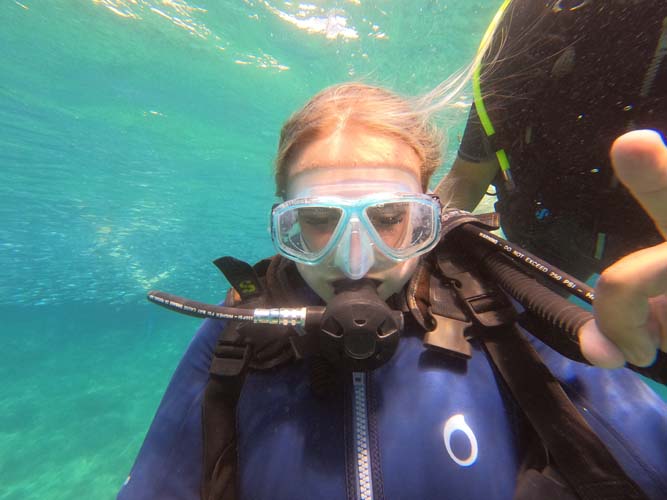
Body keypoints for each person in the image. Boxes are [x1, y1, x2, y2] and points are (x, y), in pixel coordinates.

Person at [117, 82, 667, 500]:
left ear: (429, 217)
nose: (355, 259)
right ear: (286, 223)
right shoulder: (237, 336)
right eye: (318, 221)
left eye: (388, 218)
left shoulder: (501, 313)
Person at [435, 0, 667, 281]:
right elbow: (467, 178)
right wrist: (418, 244)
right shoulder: (530, 18)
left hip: (652, 251)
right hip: (544, 239)